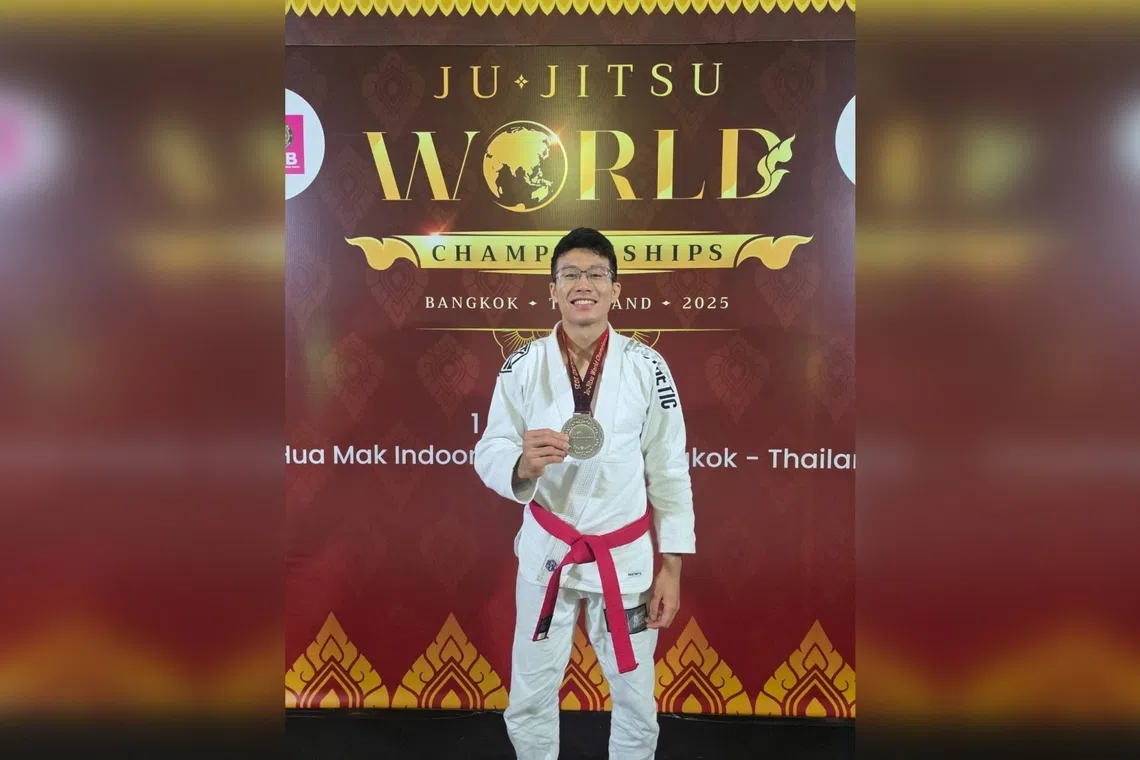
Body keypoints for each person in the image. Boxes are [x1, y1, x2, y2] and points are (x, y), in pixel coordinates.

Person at [473, 227, 695, 760]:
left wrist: (672, 567)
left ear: (616, 290)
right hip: (548, 554)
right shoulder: (522, 364)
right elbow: (490, 448)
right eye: (570, 274)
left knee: (636, 699)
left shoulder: (648, 366)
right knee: (530, 697)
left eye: (596, 274)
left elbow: (669, 469)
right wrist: (521, 464)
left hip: (625, 560)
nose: (583, 284)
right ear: (553, 290)